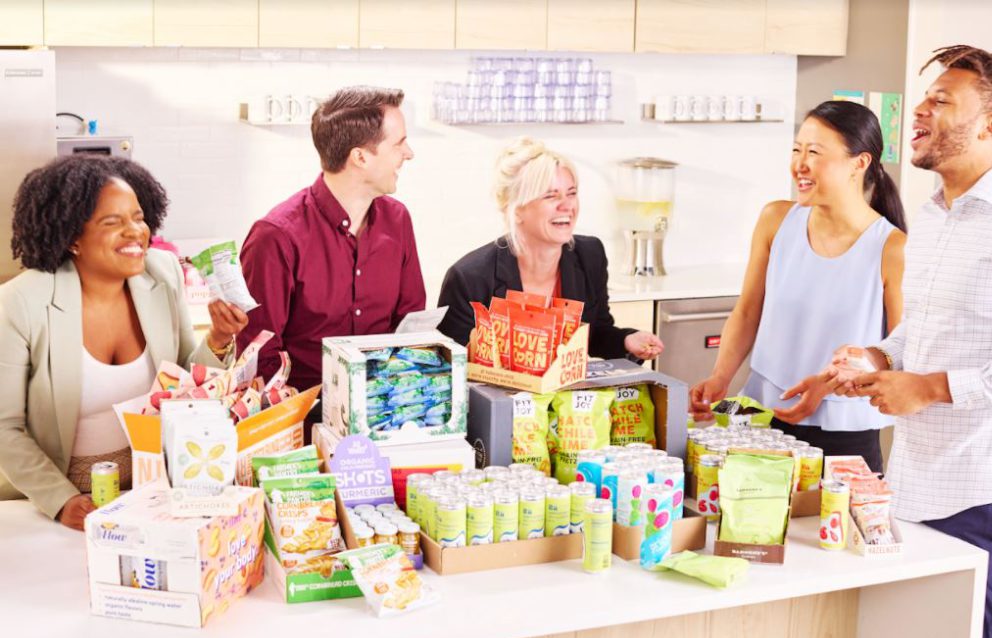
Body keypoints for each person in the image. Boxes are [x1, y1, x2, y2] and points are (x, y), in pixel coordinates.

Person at [820, 45, 992, 638]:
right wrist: (878, 358)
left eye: (942, 100)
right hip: (908, 483)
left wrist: (930, 388)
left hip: (982, 491)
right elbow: (928, 326)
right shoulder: (934, 214)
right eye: (924, 98)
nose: (920, 111)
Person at [0, 155, 248, 530]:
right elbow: (5, 427)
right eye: (112, 222)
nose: (135, 232)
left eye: (137, 217)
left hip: (155, 489)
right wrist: (61, 500)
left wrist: (217, 338)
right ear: (72, 238)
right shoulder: (21, 302)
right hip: (59, 498)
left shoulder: (162, 273)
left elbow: (184, 384)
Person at [689, 100, 907, 472]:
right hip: (762, 419)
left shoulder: (892, 248)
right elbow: (747, 311)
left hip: (844, 434)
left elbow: (900, 353)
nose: (799, 165)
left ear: (860, 162)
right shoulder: (776, 220)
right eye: (797, 150)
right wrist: (720, 377)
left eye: (815, 153)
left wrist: (828, 386)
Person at [238, 86, 425, 402]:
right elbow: (259, 359)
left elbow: (411, 328)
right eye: (400, 143)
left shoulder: (398, 220)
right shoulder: (276, 236)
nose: (409, 153)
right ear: (360, 157)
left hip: (385, 409)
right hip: (302, 421)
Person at [437, 137, 663, 361]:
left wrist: (627, 340)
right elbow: (451, 366)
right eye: (550, 196)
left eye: (571, 193)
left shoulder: (590, 255)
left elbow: (594, 335)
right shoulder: (469, 277)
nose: (567, 205)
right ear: (516, 209)